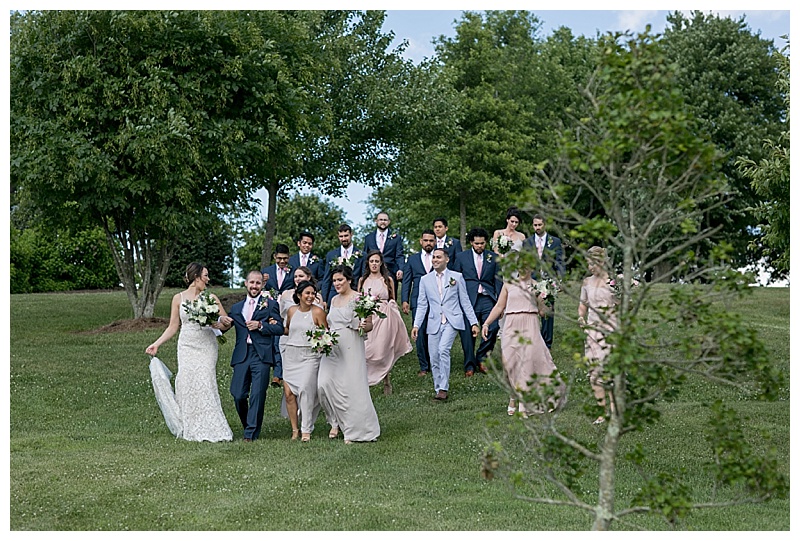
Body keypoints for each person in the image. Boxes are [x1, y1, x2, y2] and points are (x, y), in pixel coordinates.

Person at [145, 263, 233, 442]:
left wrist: (221, 323)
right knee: (186, 382)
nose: (208, 279)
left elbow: (226, 324)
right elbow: (173, 326)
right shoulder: (178, 298)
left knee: (205, 381)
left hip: (206, 346)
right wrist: (157, 344)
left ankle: (213, 426)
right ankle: (192, 424)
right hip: (186, 346)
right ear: (196, 277)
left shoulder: (211, 298)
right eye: (205, 275)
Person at [482, 262, 565, 417]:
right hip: (511, 325)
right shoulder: (508, 284)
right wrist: (486, 323)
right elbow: (499, 307)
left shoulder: (538, 286)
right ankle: (513, 396)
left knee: (527, 363)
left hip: (530, 323)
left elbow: (543, 312)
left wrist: (548, 298)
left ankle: (524, 403)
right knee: (509, 364)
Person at [218, 270, 284, 442]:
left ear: (262, 285)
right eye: (252, 282)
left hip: (260, 354)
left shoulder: (270, 305)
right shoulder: (236, 308)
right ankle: (248, 424)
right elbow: (225, 327)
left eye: (258, 283)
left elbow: (279, 328)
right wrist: (215, 323)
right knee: (238, 394)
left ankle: (250, 433)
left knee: (257, 394)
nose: (255, 286)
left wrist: (261, 325)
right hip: (242, 354)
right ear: (246, 284)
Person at [317, 265, 380, 443]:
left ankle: (356, 430)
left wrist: (364, 325)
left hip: (351, 345)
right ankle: (335, 421)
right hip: (332, 347)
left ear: (349, 280)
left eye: (340, 280)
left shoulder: (360, 298)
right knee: (323, 384)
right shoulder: (333, 299)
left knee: (352, 387)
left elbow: (369, 325)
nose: (337, 283)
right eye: (334, 280)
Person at [411, 248, 480, 401]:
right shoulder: (425, 280)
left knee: (443, 349)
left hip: (452, 320)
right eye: (434, 257)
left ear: (446, 260)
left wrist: (474, 322)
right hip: (434, 321)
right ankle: (438, 388)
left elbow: (465, 301)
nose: (435, 260)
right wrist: (416, 325)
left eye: (438, 257)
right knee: (434, 356)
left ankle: (444, 388)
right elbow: (422, 305)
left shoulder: (457, 277)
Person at [358, 250, 412, 395]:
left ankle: (386, 380)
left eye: (377, 261)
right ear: (368, 263)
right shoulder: (362, 280)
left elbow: (392, 299)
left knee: (381, 349)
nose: (374, 264)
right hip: (368, 316)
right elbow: (358, 299)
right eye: (372, 261)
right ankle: (364, 381)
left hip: (383, 318)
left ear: (381, 263)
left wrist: (393, 313)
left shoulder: (388, 280)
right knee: (367, 349)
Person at [452, 227, 502, 376]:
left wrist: (500, 302)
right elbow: (455, 279)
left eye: (482, 243)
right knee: (467, 332)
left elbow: (498, 280)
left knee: (493, 327)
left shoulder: (493, 257)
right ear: (471, 243)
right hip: (468, 299)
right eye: (477, 243)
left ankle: (482, 358)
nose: (480, 246)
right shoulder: (461, 257)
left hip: (487, 298)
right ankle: (469, 364)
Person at [281, 280, 327, 442]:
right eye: (307, 293)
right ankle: (295, 429)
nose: (310, 296)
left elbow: (325, 334)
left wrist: (320, 342)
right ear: (299, 295)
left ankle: (306, 429)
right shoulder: (291, 311)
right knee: (289, 394)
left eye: (313, 293)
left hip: (309, 356)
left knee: (305, 391)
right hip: (291, 355)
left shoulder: (318, 312)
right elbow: (287, 329)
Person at [578, 246, 618, 425]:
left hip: (610, 329)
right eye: (588, 263)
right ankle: (602, 412)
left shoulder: (613, 282)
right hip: (592, 330)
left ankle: (615, 412)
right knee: (594, 372)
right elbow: (583, 305)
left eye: (593, 263)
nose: (590, 267)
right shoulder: (586, 282)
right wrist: (581, 317)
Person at [522, 213, 565, 349]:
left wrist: (560, 279)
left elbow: (559, 262)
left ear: (545, 225)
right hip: (532, 280)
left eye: (540, 225)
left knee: (547, 312)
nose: (537, 227)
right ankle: (532, 339)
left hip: (549, 281)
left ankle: (547, 343)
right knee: (531, 311)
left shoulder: (555, 241)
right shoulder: (527, 242)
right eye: (535, 225)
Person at [402, 229, 436, 376]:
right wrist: (405, 300)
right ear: (421, 241)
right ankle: (424, 366)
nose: (428, 243)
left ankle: (435, 362)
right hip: (418, 300)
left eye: (431, 240)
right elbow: (406, 281)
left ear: (435, 242)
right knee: (420, 334)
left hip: (436, 300)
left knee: (434, 332)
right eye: (426, 240)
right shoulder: (412, 259)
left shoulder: (439, 257)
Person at [261, 243, 293, 387]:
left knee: (280, 341)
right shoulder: (266, 272)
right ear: (274, 257)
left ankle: (278, 374)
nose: (282, 261)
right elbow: (261, 290)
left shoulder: (293, 271)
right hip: (272, 311)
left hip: (287, 310)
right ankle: (276, 371)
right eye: (279, 258)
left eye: (285, 258)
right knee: (273, 342)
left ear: (289, 257)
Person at [363, 211, 404, 300]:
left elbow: (399, 255)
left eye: (385, 220)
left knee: (391, 298)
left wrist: (400, 269)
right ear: (376, 221)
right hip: (372, 273)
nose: (383, 222)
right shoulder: (368, 238)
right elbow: (365, 256)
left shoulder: (396, 238)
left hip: (390, 272)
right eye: (381, 220)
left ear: (389, 222)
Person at [321, 224, 364, 305]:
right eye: (341, 236)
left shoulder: (362, 255)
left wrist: (361, 295)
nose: (343, 239)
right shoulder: (331, 255)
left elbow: (363, 278)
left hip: (354, 294)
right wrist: (324, 299)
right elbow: (327, 278)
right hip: (334, 294)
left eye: (346, 236)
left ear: (351, 234)